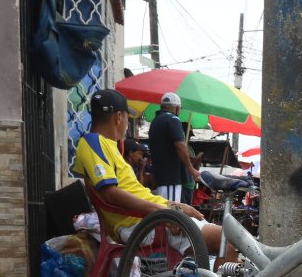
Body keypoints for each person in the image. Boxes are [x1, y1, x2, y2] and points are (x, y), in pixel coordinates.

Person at [72, 89, 221, 254]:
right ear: (118, 117)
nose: (127, 122)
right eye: (127, 117)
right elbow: (110, 194)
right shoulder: (93, 143)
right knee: (225, 239)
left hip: (151, 215)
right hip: (139, 222)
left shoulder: (109, 146)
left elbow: (139, 194)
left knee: (205, 221)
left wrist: (179, 207)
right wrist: (164, 212)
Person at [147, 92, 203, 203]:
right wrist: (191, 169)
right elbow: (180, 146)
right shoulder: (173, 119)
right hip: (170, 178)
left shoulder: (155, 121)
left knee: (163, 211)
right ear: (177, 108)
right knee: (171, 213)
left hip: (160, 176)